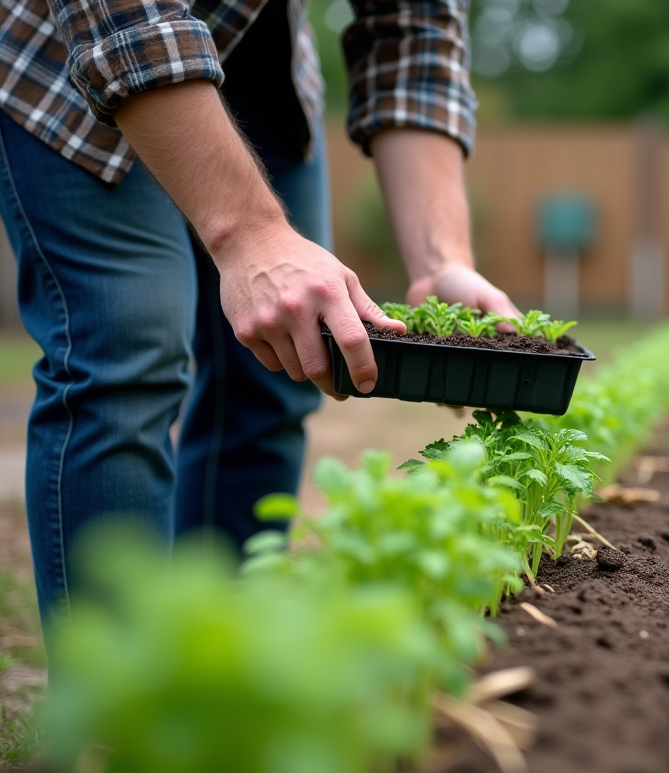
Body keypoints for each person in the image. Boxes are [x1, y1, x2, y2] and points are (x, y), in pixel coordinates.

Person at [0, 0, 519, 628]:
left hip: (258, 49)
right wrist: (247, 232)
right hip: (87, 39)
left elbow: (415, 27)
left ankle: (228, 667)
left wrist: (441, 262)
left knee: (287, 360)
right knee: (127, 352)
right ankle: (116, 703)